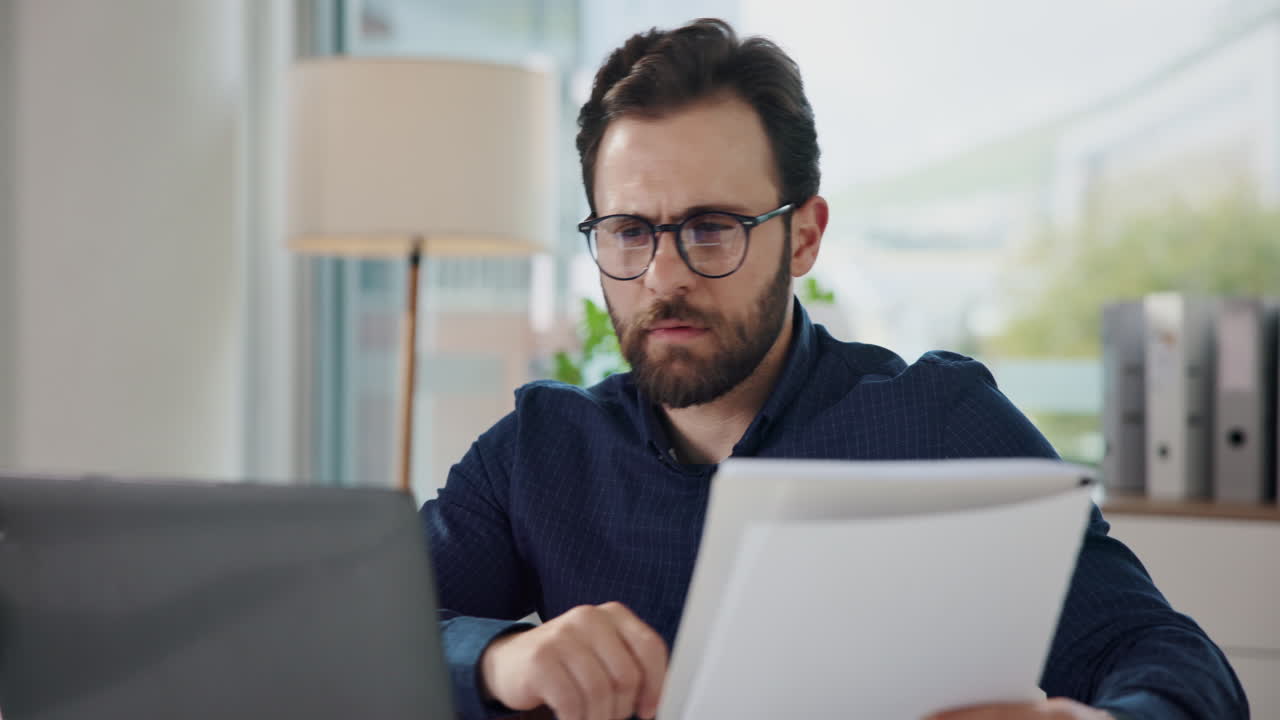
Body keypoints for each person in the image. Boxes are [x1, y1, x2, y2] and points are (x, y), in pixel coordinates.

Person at [421, 18, 1247, 720]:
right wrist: (500, 659)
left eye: (712, 228)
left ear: (805, 236)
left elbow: (1165, 657)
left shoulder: (939, 421)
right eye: (630, 232)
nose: (664, 276)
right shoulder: (537, 451)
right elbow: (376, 637)